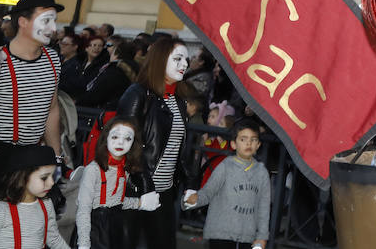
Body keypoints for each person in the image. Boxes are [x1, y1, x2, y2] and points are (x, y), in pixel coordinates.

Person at [116, 38, 193, 247]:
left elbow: (177, 147)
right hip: (134, 190)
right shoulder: (137, 94)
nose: (185, 64)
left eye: (187, 59)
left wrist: (188, 182)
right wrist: (146, 187)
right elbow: (124, 148)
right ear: (159, 60)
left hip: (165, 191)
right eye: (177, 58)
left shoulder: (179, 100)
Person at [183, 118, 271, 249]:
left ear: (258, 145)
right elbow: (208, 192)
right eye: (243, 139)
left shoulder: (262, 173)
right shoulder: (224, 167)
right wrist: (193, 199)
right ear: (233, 144)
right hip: (220, 233)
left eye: (253, 140)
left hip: (247, 236)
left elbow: (264, 208)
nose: (248, 144)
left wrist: (262, 236)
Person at [0, 0, 65, 154]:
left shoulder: (52, 58)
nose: (54, 29)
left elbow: (52, 109)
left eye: (54, 21)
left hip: (32, 154)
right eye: (46, 21)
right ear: (23, 22)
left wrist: (56, 156)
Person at [73, 117, 155, 249]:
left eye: (128, 138)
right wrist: (83, 243)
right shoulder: (92, 170)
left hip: (115, 227)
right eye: (115, 137)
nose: (121, 142)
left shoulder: (124, 168)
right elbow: (84, 209)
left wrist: (139, 203)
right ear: (106, 138)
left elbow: (117, 201)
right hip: (94, 229)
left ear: (134, 143)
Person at [0, 143, 70, 248]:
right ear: (22, 178)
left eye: (52, 176)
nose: (52, 182)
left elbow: (54, 239)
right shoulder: (1, 210)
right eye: (44, 178)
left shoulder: (46, 205)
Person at [79, 42, 136, 109]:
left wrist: (78, 102)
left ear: (116, 54)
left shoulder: (115, 71)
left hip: (103, 110)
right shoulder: (133, 68)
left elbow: (96, 95)